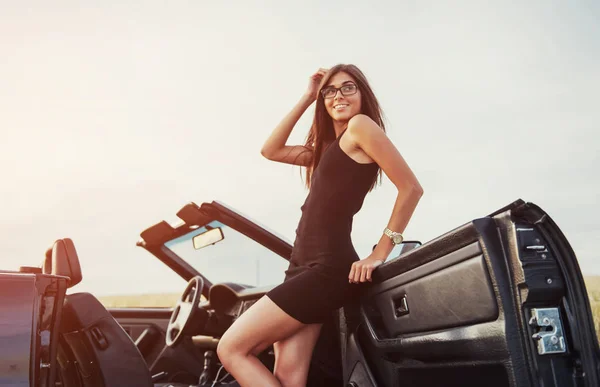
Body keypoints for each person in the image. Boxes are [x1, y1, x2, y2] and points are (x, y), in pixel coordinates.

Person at [216, 64, 423, 387]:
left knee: (231, 348)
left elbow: (411, 188)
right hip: (302, 267)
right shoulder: (328, 149)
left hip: (326, 269)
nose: (338, 96)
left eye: (347, 87)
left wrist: (379, 253)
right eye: (330, 91)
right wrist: (308, 96)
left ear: (362, 94)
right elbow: (270, 150)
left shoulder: (360, 127)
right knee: (288, 377)